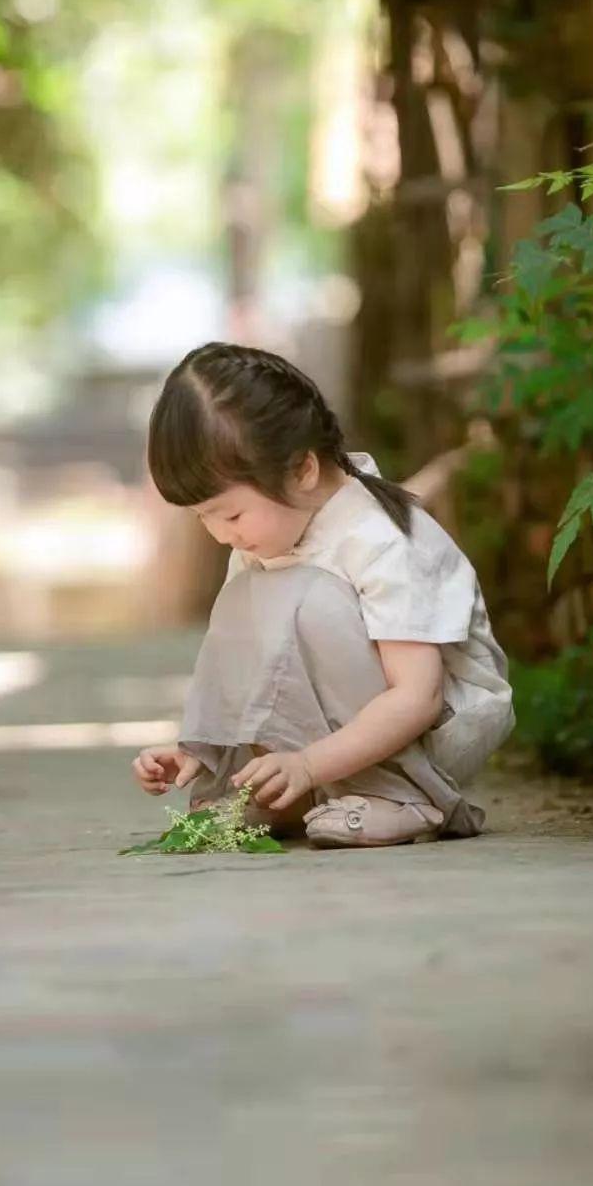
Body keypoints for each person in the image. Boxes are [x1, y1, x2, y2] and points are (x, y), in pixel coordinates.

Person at [132, 342, 514, 849]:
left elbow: (417, 697)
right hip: (350, 721)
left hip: (432, 725)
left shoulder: (384, 539)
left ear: (302, 470)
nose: (220, 534)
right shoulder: (269, 538)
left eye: (230, 514)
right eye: (203, 517)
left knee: (312, 602)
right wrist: (204, 753)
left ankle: (405, 796)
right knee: (247, 602)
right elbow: (251, 663)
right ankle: (291, 791)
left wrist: (309, 762)